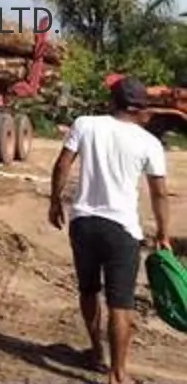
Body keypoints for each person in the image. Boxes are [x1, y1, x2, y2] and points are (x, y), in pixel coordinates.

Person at [48, 75, 171, 384]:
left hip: (83, 223)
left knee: (88, 290)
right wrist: (163, 232)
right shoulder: (149, 143)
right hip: (122, 230)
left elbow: (62, 165)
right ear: (140, 108)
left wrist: (55, 202)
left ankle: (96, 352)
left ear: (113, 102)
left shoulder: (85, 124)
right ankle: (117, 374)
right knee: (121, 302)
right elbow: (159, 193)